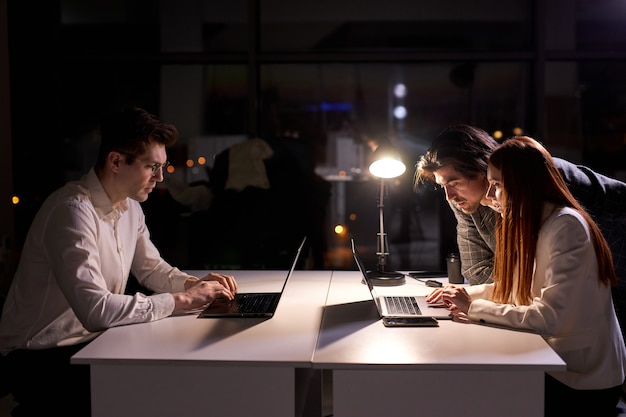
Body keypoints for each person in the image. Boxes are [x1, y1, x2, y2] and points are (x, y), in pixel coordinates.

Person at [0, 106, 239, 417]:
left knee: (179, 373)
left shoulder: (130, 206)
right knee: (162, 388)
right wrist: (183, 299)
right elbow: (96, 311)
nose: (160, 177)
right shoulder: (71, 212)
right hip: (40, 356)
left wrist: (193, 284)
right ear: (116, 161)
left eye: (163, 167)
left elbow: (151, 269)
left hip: (93, 341)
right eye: (152, 166)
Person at [426, 135, 626, 416]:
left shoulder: (565, 225)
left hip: (582, 378)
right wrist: (463, 295)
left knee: (468, 386)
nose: (489, 197)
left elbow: (548, 317)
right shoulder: (530, 221)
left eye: (496, 186)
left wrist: (474, 309)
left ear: (522, 185)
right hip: (558, 359)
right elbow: (516, 289)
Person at [414, 124, 626, 285]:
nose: (449, 196)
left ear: (482, 170)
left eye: (455, 183)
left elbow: (545, 278)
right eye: (442, 186)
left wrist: (515, 281)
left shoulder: (543, 179)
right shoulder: (464, 200)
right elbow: (477, 271)